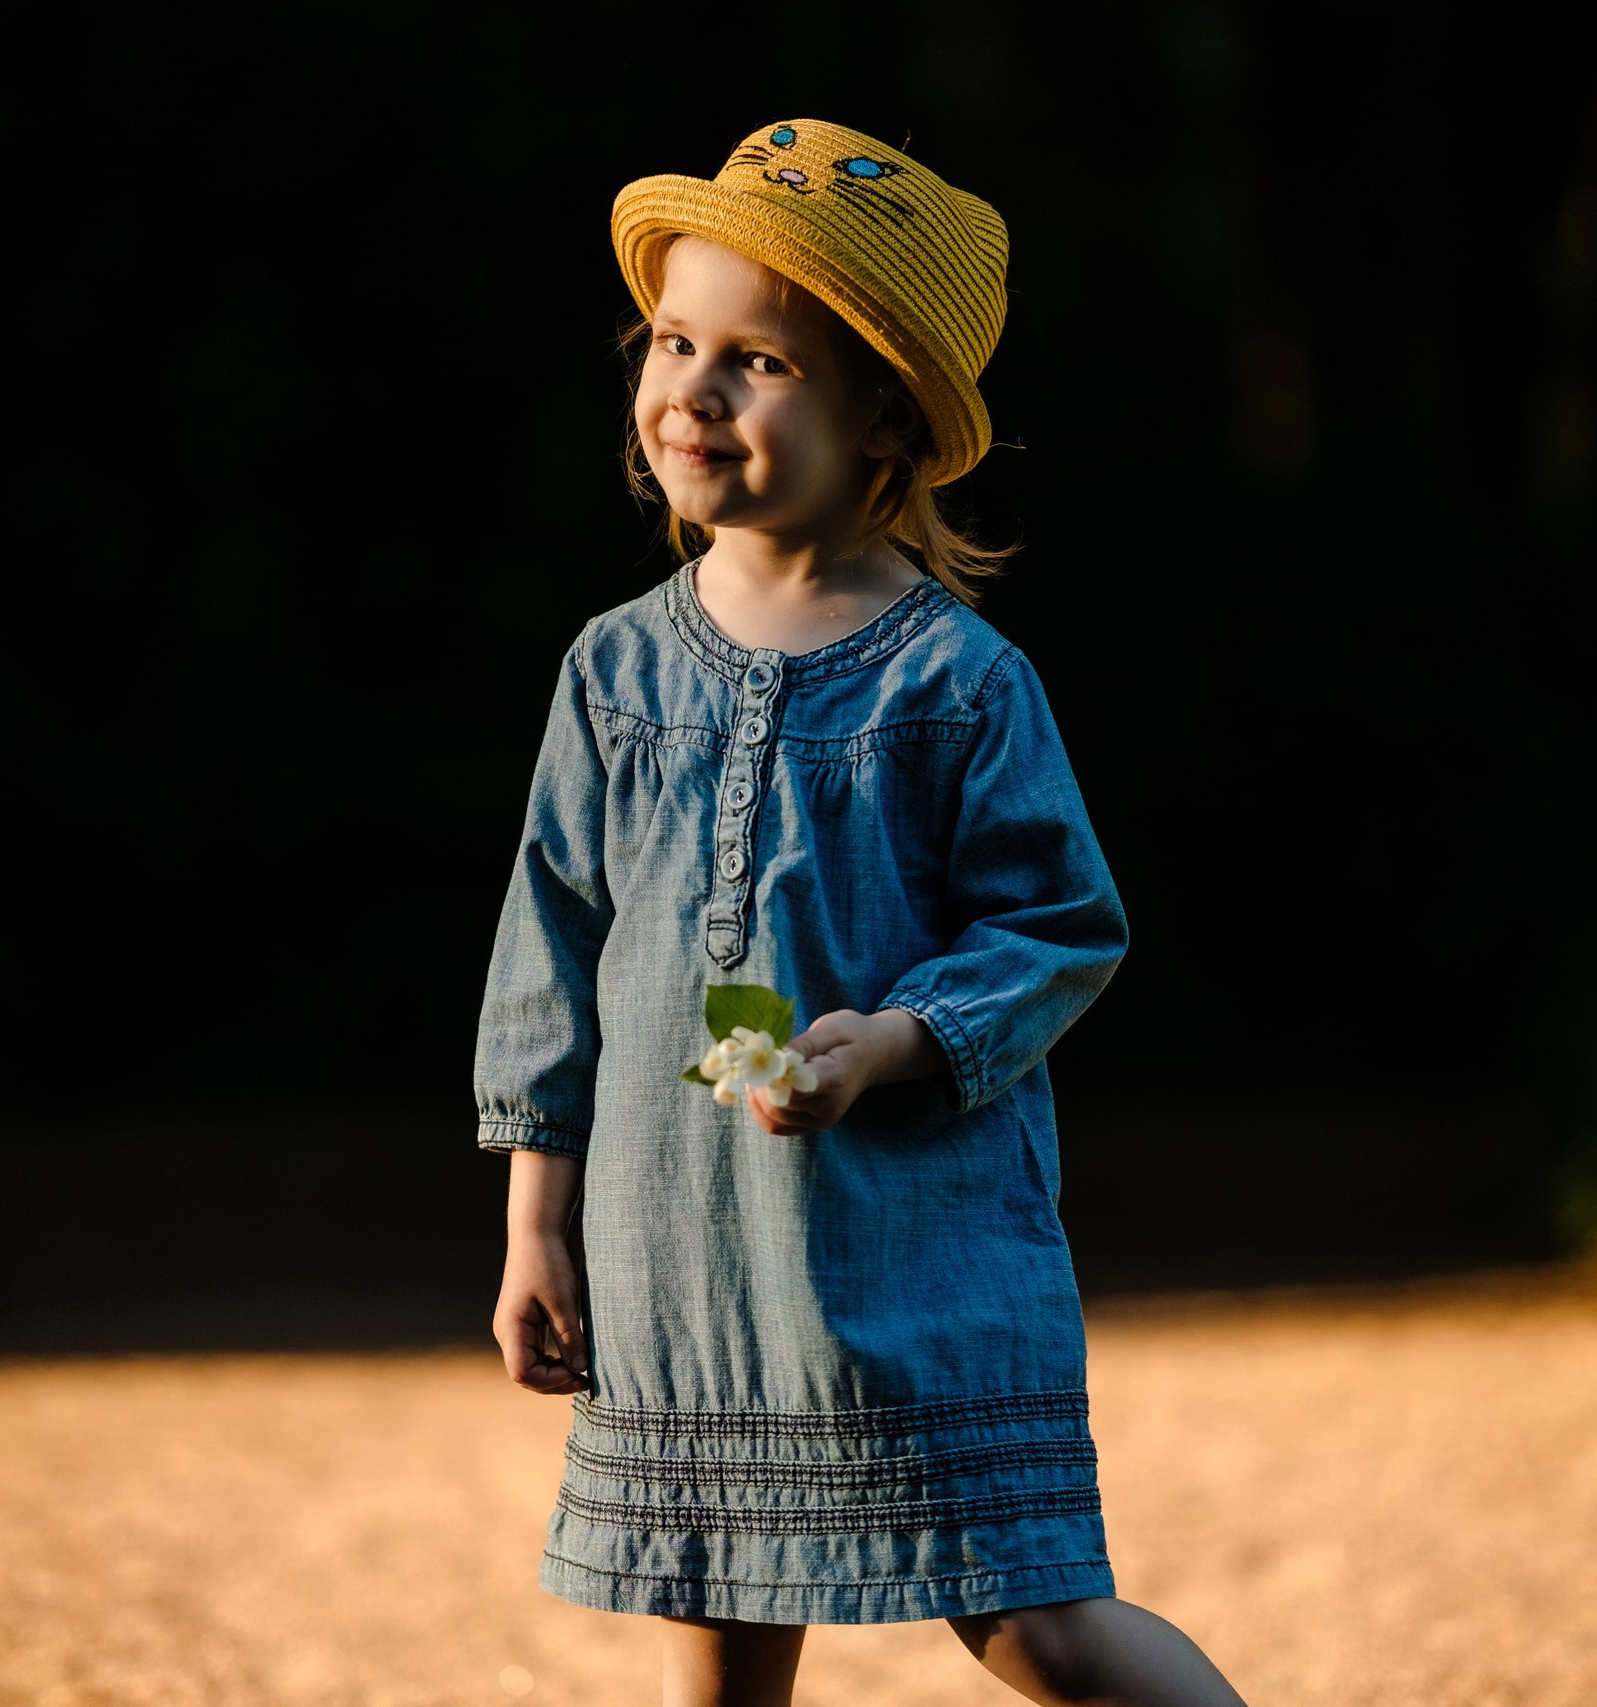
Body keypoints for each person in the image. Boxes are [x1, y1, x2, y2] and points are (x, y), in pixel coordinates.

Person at [473, 118, 1244, 1707]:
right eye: (676, 341)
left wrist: (889, 1044)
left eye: (759, 361)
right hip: (684, 1255)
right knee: (724, 1653)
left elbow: (1059, 927)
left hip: (909, 1253)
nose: (692, 390)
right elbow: (546, 957)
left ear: (884, 411)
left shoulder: (957, 682)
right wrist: (535, 1228)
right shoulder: (613, 672)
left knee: (1035, 1621)